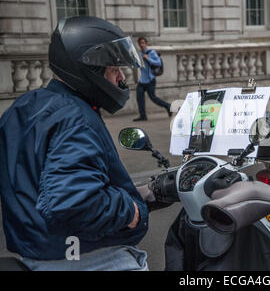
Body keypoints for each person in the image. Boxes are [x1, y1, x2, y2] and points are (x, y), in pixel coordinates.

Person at [0, 16, 158, 270]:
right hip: (88, 259)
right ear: (91, 68)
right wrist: (130, 211)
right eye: (114, 68)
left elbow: (38, 182)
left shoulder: (25, 106)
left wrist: (133, 192)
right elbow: (73, 201)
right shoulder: (76, 119)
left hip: (37, 254)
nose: (120, 78)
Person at [133, 37, 171, 121]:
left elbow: (158, 63)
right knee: (139, 98)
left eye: (143, 43)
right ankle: (143, 116)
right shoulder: (140, 54)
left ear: (146, 44)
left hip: (150, 80)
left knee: (153, 98)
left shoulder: (151, 52)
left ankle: (168, 106)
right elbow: (137, 66)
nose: (141, 45)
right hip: (142, 80)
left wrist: (148, 58)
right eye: (140, 43)